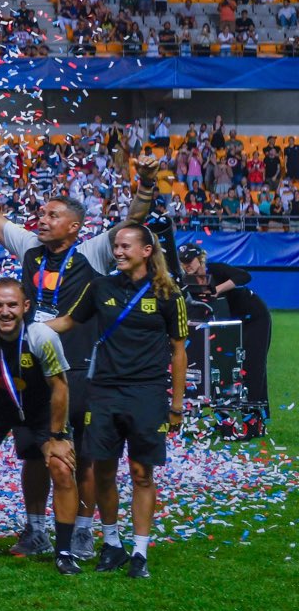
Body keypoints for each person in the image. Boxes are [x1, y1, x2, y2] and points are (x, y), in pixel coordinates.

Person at [0, 147, 156, 559]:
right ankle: (35, 532)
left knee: (80, 458)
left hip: (77, 371)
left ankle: (83, 533)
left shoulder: (93, 253)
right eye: (42, 215)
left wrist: (145, 184)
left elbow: (134, 220)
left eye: (52, 216)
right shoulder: (31, 247)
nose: (42, 220)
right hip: (32, 372)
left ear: (74, 226)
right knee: (34, 455)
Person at [46, 224, 189, 579]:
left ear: (146, 251)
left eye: (125, 246)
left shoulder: (170, 295)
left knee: (142, 473)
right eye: (115, 247)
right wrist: (22, 330)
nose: (118, 252)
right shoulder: (100, 287)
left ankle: (140, 551)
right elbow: (66, 321)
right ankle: (112, 544)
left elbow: (179, 351)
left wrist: (177, 405)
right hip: (105, 392)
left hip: (147, 393)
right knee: (103, 471)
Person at [0, 279, 81, 575]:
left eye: (12, 305)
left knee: (61, 467)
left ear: (26, 307)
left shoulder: (42, 335)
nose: (5, 311)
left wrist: (57, 436)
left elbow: (60, 387)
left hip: (40, 406)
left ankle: (64, 551)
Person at [178, 244, 271, 414]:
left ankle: (255, 418)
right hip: (228, 323)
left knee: (253, 365)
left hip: (253, 316)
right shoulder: (186, 280)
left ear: (200, 258)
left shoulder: (216, 270)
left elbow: (244, 276)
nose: (186, 265)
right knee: (226, 367)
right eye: (183, 262)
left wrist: (217, 289)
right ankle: (226, 415)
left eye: (189, 260)